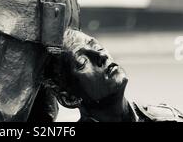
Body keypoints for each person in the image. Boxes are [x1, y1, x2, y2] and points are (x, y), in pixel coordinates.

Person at [45, 29, 183, 122]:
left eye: (97, 47)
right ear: (69, 98)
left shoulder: (170, 117)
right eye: (82, 62)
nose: (102, 55)